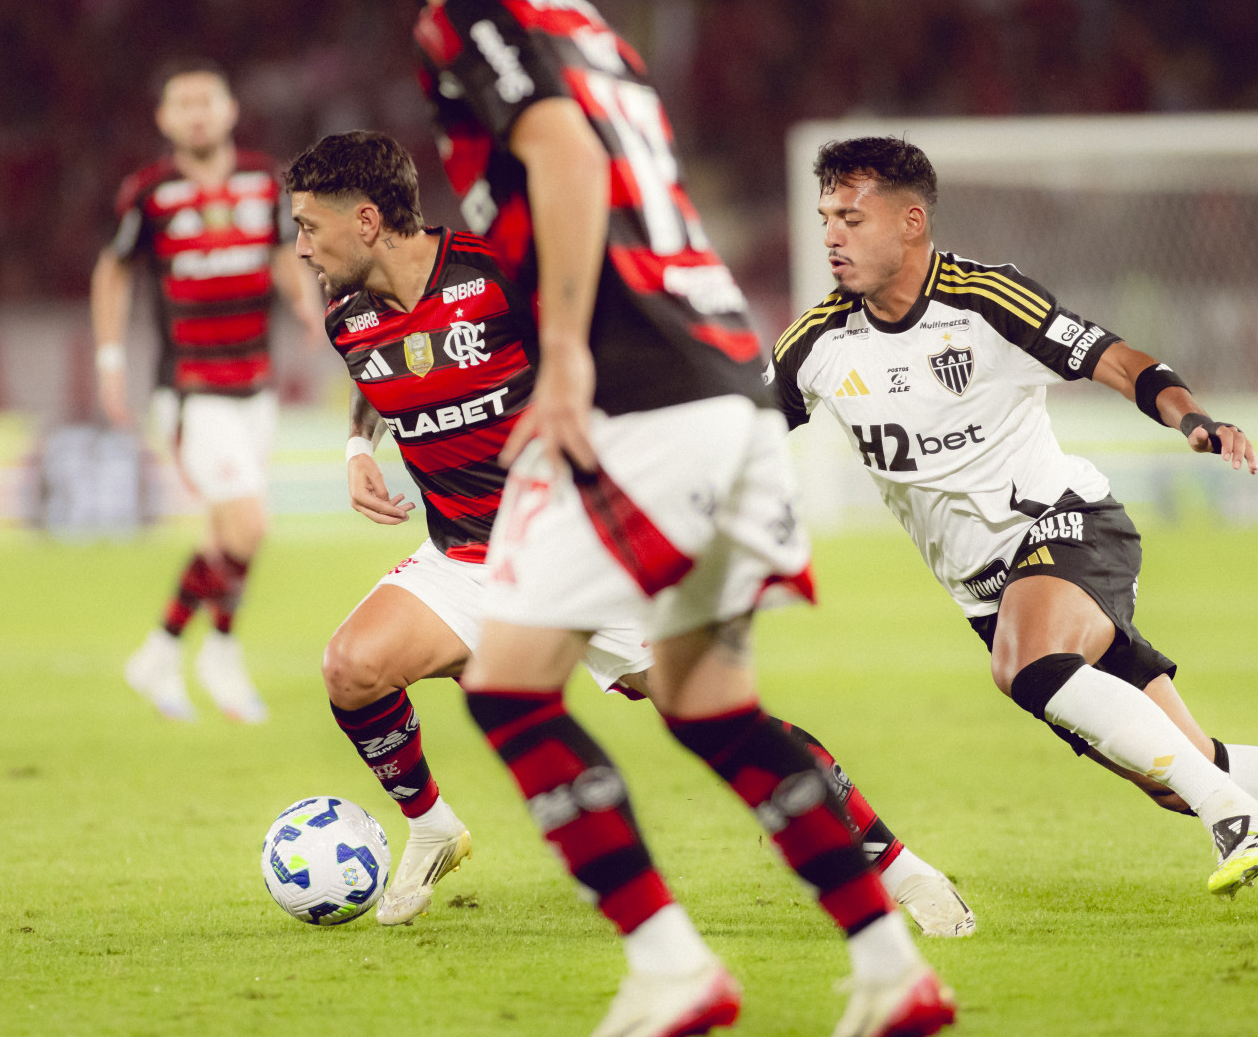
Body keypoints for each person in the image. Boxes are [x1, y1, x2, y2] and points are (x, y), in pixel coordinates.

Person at [357, 0, 958, 1037]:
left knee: (512, 690)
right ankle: (891, 965)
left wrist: (566, 351)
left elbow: (567, 160)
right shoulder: (580, 17)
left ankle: (672, 965)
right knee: (708, 703)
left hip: (638, 392)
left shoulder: (466, 17)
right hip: (726, 376)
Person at [768, 135, 1258, 914]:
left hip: (1068, 527)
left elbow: (1116, 359)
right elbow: (739, 430)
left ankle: (1234, 817)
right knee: (1184, 767)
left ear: (911, 222)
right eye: (826, 217)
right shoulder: (816, 345)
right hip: (986, 594)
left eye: (851, 217)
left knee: (1027, 665)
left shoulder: (985, 300)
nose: (831, 235)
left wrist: (1192, 418)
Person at [286, 130, 972, 937]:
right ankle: (433, 826)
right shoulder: (348, 314)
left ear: (367, 220)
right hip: (467, 556)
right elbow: (383, 369)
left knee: (720, 722)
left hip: (589, 541)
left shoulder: (502, 273)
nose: (300, 248)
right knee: (352, 668)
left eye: (308, 226)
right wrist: (358, 446)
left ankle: (902, 869)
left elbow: (620, 351)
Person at [93, 61, 325, 723]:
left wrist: (304, 300)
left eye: (207, 101)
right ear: (164, 119)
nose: (197, 113)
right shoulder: (148, 192)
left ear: (230, 110)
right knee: (249, 523)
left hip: (256, 385)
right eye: (183, 103)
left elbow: (282, 249)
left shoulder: (264, 180)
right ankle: (219, 650)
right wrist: (110, 359)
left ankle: (161, 650)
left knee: (226, 536)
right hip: (190, 389)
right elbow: (112, 270)